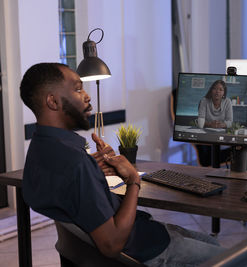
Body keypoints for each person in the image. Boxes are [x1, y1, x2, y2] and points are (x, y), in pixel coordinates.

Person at [20, 63, 224, 266]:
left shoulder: (40, 149)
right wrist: (133, 179)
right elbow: (112, 244)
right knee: (234, 255)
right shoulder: (76, 164)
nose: (87, 96)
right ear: (53, 101)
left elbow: (66, 187)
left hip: (139, 231)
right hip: (145, 249)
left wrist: (93, 170)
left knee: (211, 241)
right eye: (78, 89)